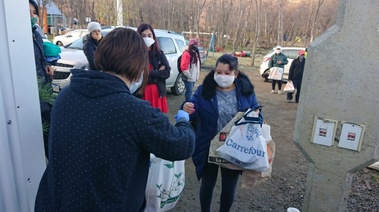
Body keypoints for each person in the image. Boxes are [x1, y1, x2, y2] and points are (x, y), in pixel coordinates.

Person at [34, 28, 196, 211]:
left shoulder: (67, 95)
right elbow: (182, 145)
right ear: (138, 65)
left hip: (55, 202)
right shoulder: (134, 111)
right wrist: (183, 119)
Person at [181, 54, 261, 212]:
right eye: (218, 72)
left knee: (229, 187)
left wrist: (257, 118)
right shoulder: (205, 90)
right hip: (209, 145)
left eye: (227, 73)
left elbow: (256, 112)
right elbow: (192, 109)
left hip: (234, 148)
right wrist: (187, 108)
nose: (222, 76)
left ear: (235, 74)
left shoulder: (246, 92)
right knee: (207, 184)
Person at [29, 0, 55, 158]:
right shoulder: (15, 38)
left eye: (34, 13)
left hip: (45, 88)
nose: (32, 16)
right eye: (28, 13)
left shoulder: (35, 33)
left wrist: (46, 64)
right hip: (34, 93)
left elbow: (40, 57)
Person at [137, 23, 170, 113]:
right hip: (142, 94)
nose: (147, 38)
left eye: (149, 35)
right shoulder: (135, 55)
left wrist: (149, 73)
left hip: (158, 93)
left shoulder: (159, 54)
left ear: (153, 37)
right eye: (143, 36)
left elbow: (166, 73)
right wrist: (157, 73)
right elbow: (136, 75)